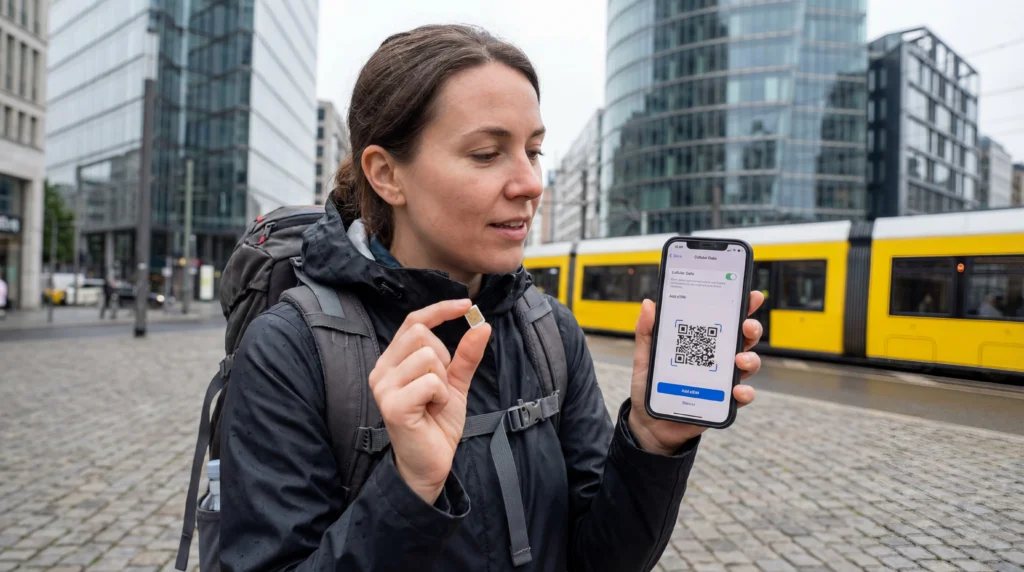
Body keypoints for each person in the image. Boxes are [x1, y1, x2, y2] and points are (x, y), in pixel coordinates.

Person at [219, 24, 764, 572]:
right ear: (386, 174)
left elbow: (601, 560)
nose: (529, 183)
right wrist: (409, 489)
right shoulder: (291, 350)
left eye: (533, 151)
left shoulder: (549, 331)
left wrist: (650, 441)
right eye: (486, 154)